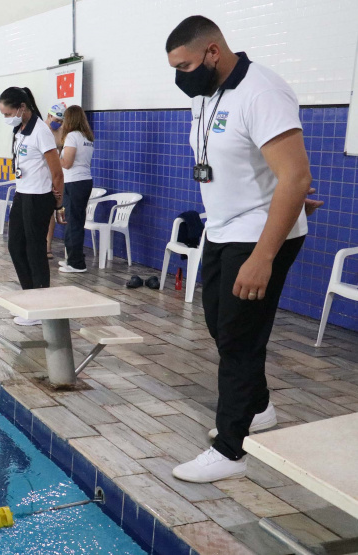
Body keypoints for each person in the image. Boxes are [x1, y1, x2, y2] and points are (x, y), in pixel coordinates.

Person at [164, 16, 316, 483]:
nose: (180, 77)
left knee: (238, 339)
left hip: (258, 236)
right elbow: (251, 165)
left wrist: (263, 257)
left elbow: (296, 176)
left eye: (185, 66)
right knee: (219, 324)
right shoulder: (206, 95)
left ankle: (231, 450)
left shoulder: (262, 92)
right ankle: (259, 406)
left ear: (213, 51)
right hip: (222, 228)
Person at [0, 87, 65, 326]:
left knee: (35, 251)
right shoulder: (20, 130)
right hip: (22, 193)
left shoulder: (41, 131)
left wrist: (58, 205)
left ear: (22, 108)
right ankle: (30, 299)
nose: (7, 118)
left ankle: (41, 308)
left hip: (39, 197)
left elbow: (57, 172)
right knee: (15, 246)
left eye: (8, 113)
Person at [49, 105, 95, 272]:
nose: (62, 123)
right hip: (84, 181)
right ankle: (74, 258)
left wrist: (53, 156)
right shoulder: (86, 136)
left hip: (74, 182)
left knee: (73, 222)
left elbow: (67, 164)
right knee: (76, 221)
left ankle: (76, 263)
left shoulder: (72, 136)